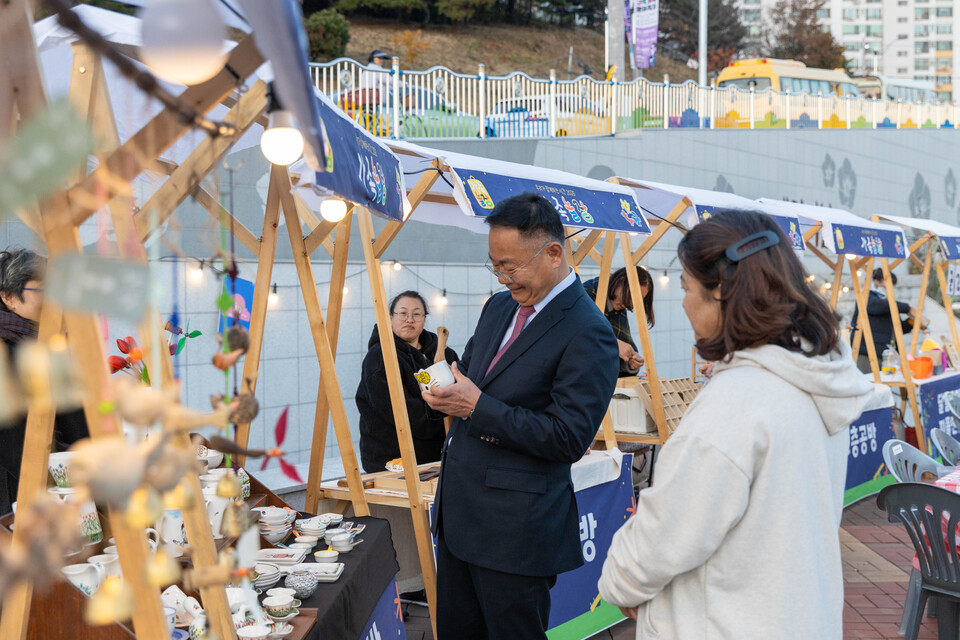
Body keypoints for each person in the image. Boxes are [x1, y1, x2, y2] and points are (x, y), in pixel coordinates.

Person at [598, 210, 874, 638]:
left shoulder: (737, 404)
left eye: (688, 288)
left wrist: (620, 581)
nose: (684, 302)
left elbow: (666, 533)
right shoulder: (818, 381)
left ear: (722, 292)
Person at [423, 194, 619, 639]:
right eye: (494, 265)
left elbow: (568, 438)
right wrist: (444, 389)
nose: (503, 277)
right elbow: (473, 374)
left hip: (517, 531)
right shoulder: (498, 307)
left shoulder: (590, 331)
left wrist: (477, 407)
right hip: (459, 516)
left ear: (554, 253)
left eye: (510, 266)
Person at [0, 249, 88, 513]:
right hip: (30, 499)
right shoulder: (8, 352)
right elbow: (21, 447)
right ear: (8, 297)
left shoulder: (45, 341)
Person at [356, 290, 458, 474]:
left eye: (417, 314)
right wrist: (444, 412)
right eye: (403, 313)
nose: (409, 319)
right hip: (391, 460)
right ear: (390, 317)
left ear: (424, 319)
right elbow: (396, 409)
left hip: (437, 457)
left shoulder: (443, 353)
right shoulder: (379, 357)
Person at [850, 268, 927, 374]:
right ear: (876, 281)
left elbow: (899, 328)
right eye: (888, 283)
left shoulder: (888, 302)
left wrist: (913, 321)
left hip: (886, 355)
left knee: (885, 386)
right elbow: (879, 306)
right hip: (867, 352)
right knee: (868, 383)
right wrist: (907, 307)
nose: (890, 287)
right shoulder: (866, 296)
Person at [582, 266, 655, 377]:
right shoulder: (587, 294)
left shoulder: (619, 307)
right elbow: (576, 335)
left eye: (637, 301)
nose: (630, 304)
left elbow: (621, 352)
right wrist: (613, 343)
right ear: (619, 281)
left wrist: (631, 362)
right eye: (631, 295)